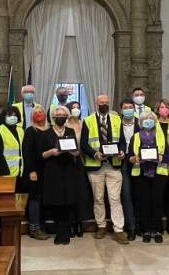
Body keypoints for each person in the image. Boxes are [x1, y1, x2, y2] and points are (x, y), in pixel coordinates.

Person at [81, 94, 129, 245]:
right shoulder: (88, 120)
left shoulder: (116, 119)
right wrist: (94, 153)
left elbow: (122, 141)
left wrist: (121, 152)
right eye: (101, 102)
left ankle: (118, 229)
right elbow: (84, 144)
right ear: (96, 104)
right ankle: (101, 226)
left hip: (113, 165)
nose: (104, 104)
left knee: (115, 199)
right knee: (99, 198)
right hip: (95, 166)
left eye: (106, 102)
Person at [40, 105, 81, 245]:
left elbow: (77, 152)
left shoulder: (70, 131)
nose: (61, 117)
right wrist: (51, 152)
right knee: (56, 201)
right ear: (53, 116)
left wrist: (70, 151)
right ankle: (60, 232)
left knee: (68, 201)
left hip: (68, 169)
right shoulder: (45, 133)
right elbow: (41, 155)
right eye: (58, 114)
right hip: (52, 170)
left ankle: (65, 232)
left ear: (67, 117)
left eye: (63, 115)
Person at [128, 111, 169, 243]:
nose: (148, 120)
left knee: (157, 202)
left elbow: (168, 155)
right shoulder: (135, 137)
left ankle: (157, 230)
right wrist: (135, 158)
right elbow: (129, 157)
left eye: (151, 118)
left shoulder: (161, 135)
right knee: (144, 202)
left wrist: (162, 158)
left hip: (158, 173)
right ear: (140, 122)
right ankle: (146, 230)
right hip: (140, 174)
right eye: (145, 118)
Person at [22, 106, 50, 240]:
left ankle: (42, 225)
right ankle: (33, 227)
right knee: (35, 199)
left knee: (44, 199)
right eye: (35, 113)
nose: (39, 114)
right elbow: (27, 153)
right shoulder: (30, 131)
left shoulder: (50, 130)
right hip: (34, 170)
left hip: (48, 170)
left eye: (41, 112)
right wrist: (32, 170)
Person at [66, 101, 90, 238]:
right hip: (68, 162)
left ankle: (79, 222)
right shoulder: (64, 125)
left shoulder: (83, 123)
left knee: (81, 193)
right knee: (69, 193)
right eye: (73, 108)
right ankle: (70, 223)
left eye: (78, 108)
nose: (76, 110)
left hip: (82, 162)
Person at [118, 99, 139, 241]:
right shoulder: (116, 123)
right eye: (125, 107)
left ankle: (141, 226)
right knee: (126, 195)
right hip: (123, 161)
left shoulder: (141, 122)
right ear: (121, 110)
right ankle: (131, 227)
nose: (128, 109)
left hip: (139, 161)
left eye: (131, 107)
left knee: (139, 194)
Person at [155, 99, 169, 234]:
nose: (164, 109)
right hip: (160, 165)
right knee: (158, 197)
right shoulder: (153, 123)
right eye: (162, 107)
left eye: (166, 107)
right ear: (157, 109)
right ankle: (158, 227)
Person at [0, 106, 24, 179]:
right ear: (4, 117)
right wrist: (3, 172)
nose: (13, 117)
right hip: (4, 172)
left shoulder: (20, 130)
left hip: (20, 171)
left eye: (15, 115)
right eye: (9, 115)